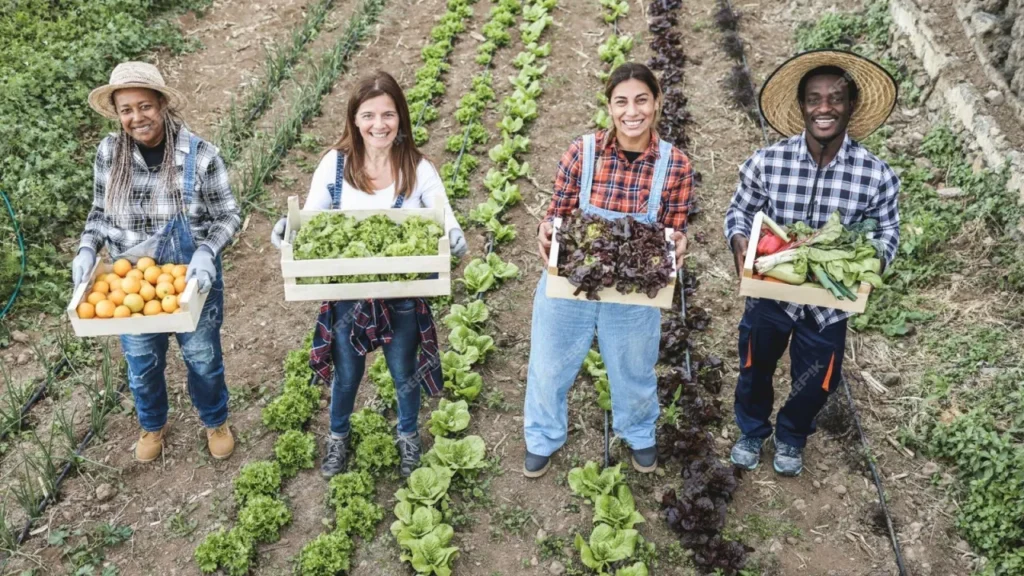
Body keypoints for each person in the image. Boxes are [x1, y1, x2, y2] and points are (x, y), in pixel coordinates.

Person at [270, 70, 467, 479]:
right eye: (369, 115)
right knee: (347, 376)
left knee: (404, 373)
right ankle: (338, 437)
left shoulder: (418, 168)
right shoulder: (335, 164)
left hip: (402, 291)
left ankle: (408, 435)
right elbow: (309, 216)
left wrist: (454, 236)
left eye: (388, 115)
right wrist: (288, 227)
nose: (379, 125)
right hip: (351, 295)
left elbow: (444, 216)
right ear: (355, 120)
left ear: (401, 119)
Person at [724, 49, 901, 476]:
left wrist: (867, 262)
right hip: (772, 289)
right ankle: (752, 428)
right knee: (754, 365)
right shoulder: (768, 162)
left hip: (829, 301)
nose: (825, 107)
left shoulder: (875, 175)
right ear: (802, 106)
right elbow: (739, 213)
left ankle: (791, 435)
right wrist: (743, 246)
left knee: (819, 378)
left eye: (836, 98)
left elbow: (887, 234)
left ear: (851, 106)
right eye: (815, 98)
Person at [524, 62, 693, 478]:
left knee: (633, 364)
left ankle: (638, 432)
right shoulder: (582, 152)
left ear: (656, 104)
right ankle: (543, 435)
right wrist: (546, 230)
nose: (631, 111)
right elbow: (556, 214)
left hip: (634, 292)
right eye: (621, 102)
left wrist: (678, 244)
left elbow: (675, 228)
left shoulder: (675, 166)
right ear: (609, 107)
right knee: (549, 361)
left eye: (641, 100)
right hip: (572, 281)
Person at [73, 62, 241, 462]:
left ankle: (215, 419)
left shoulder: (200, 156)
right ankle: (153, 424)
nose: (136, 117)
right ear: (118, 114)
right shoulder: (109, 154)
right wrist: (85, 248)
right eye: (126, 110)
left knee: (202, 358)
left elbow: (228, 215)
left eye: (144, 106)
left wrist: (206, 250)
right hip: (129, 284)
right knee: (142, 364)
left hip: (189, 282)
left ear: (162, 104)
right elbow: (99, 212)